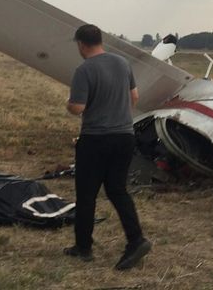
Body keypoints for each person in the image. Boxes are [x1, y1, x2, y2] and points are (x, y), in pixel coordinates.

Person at [64, 24, 151, 270]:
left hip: (95, 140)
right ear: (101, 41)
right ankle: (136, 240)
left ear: (81, 44)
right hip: (125, 137)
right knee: (117, 190)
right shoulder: (122, 63)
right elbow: (134, 97)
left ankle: (83, 247)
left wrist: (68, 105)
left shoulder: (84, 70)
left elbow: (78, 107)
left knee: (86, 194)